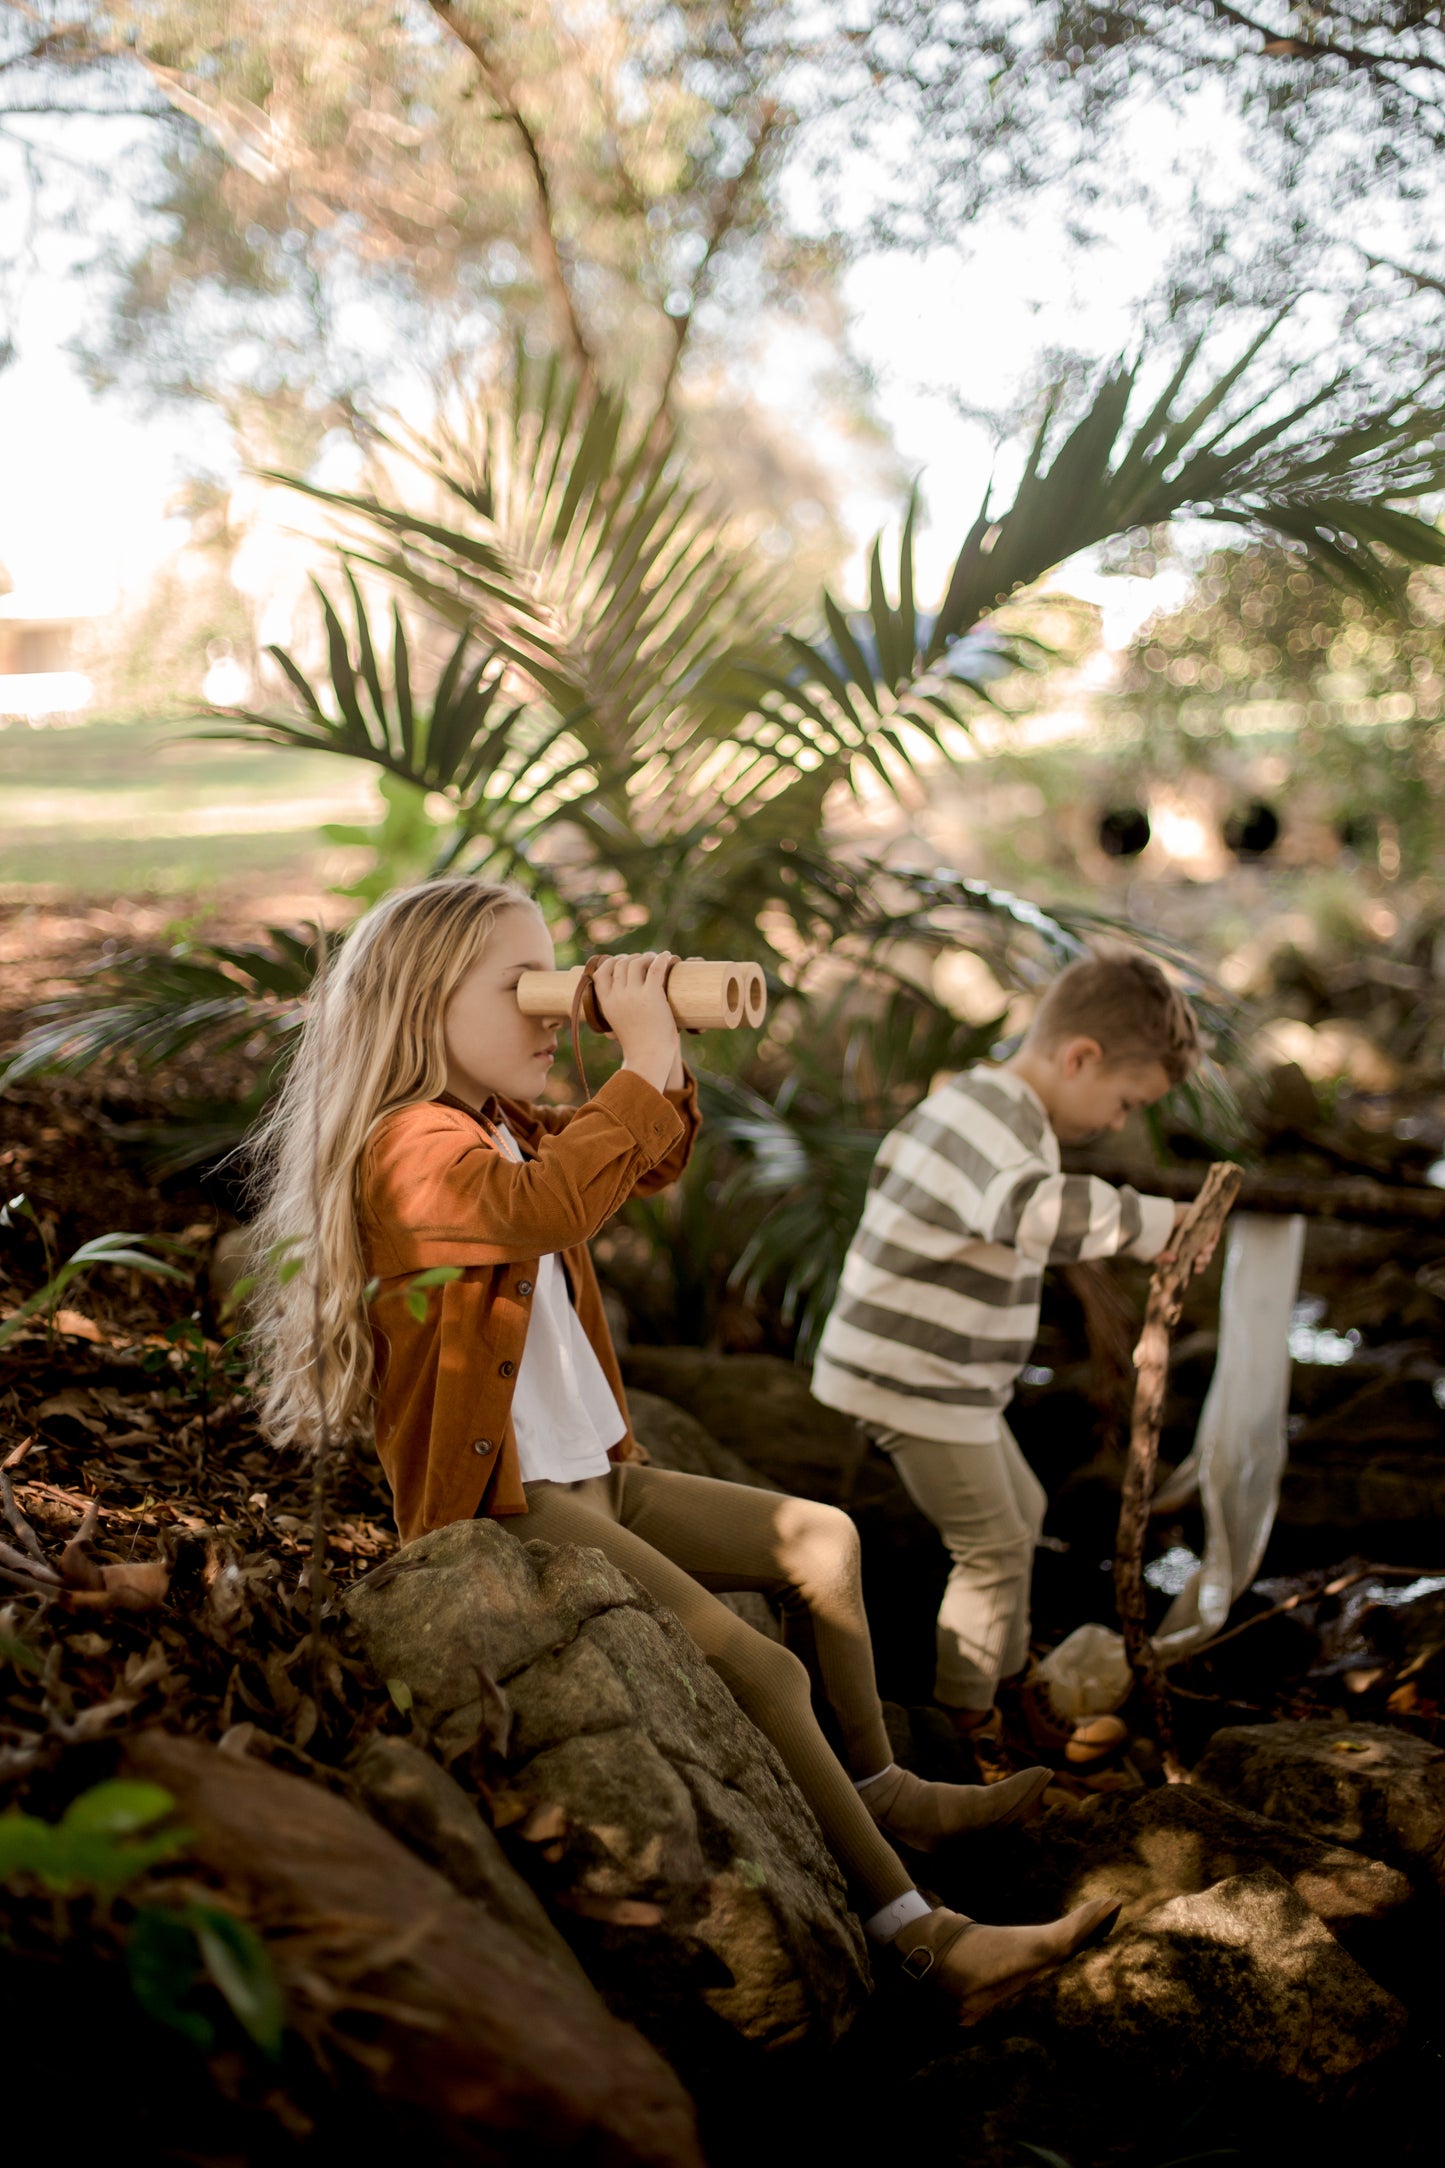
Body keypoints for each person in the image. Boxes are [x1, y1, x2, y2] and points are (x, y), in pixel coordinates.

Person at [248, 876, 1118, 2020]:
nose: (554, 1011)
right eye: (525, 986)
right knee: (761, 1666)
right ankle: (921, 1934)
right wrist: (641, 1052)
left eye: (557, 983)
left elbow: (641, 1160)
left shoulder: (501, 1123)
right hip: (505, 1499)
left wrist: (650, 1033)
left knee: (822, 1540)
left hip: (596, 1476)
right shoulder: (408, 1148)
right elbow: (550, 1207)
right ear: (421, 1002)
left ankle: (874, 1785)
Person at [810, 950, 1204, 1766]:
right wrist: (1158, 1226)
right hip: (912, 1381)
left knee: (1018, 1512)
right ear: (1079, 1057)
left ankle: (1009, 1685)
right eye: (1124, 1102)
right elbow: (1031, 1213)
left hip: (940, 1381)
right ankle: (968, 1726)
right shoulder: (986, 1120)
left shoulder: (994, 1111)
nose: (1119, 1122)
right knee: (990, 1543)